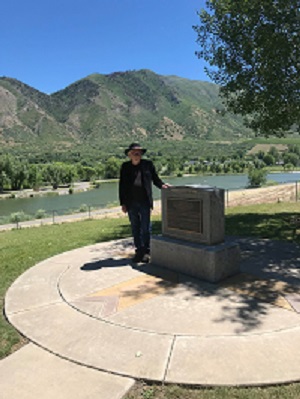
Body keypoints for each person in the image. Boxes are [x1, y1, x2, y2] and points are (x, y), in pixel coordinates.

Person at [119, 143, 169, 263]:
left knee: (146, 228)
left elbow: (155, 178)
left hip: (145, 202)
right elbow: (122, 186)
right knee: (135, 227)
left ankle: (146, 251)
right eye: (134, 152)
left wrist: (162, 185)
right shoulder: (125, 167)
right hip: (131, 203)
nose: (137, 154)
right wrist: (123, 203)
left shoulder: (148, 165)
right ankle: (139, 251)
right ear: (129, 154)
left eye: (139, 152)